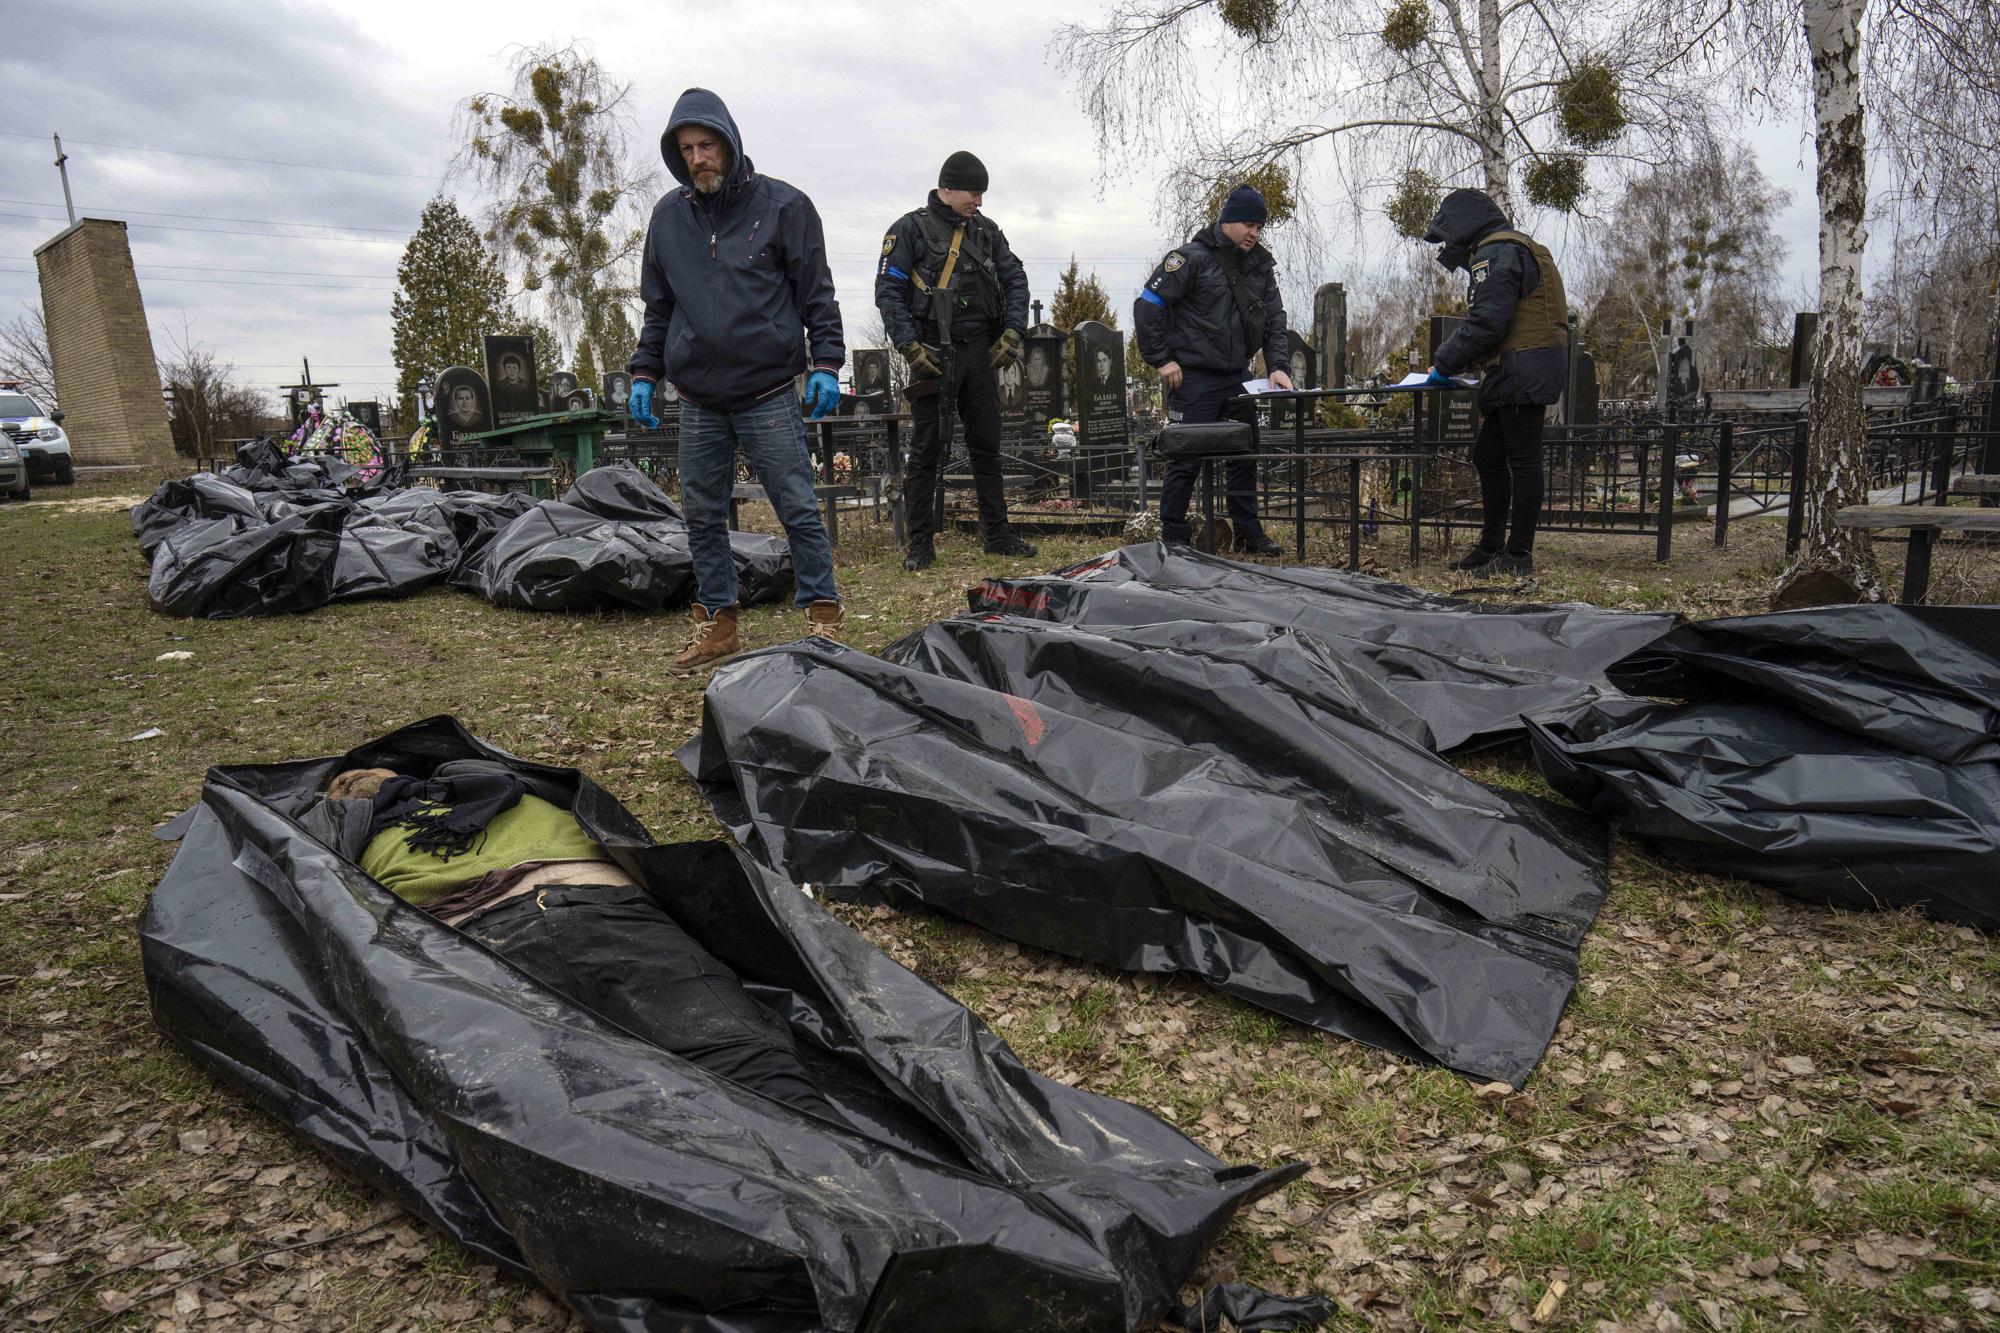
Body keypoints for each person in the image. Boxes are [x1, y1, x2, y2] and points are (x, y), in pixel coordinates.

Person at [317, 764, 850, 1127]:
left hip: (471, 945)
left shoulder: (364, 845)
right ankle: (848, 1178)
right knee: (742, 1058)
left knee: (571, 1114)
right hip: (604, 911)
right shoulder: (516, 795)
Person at [628, 88, 846, 672]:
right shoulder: (668, 219)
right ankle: (719, 625)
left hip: (768, 389)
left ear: (729, 142)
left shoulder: (785, 208)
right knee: (701, 514)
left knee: (796, 505)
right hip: (698, 395)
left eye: (707, 145)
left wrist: (826, 363)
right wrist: (646, 372)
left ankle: (823, 618)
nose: (698, 157)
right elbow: (659, 307)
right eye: (687, 149)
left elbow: (816, 295)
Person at [875, 150, 1037, 572]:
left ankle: (997, 534)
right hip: (932, 352)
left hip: (982, 350)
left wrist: (1014, 331)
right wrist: (909, 345)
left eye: (982, 193)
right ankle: (921, 544)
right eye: (972, 192)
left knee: (988, 445)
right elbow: (888, 292)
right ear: (946, 188)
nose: (978, 201)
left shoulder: (986, 232)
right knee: (927, 448)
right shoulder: (909, 230)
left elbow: (1015, 279)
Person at [1133, 184, 1291, 555]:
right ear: (1227, 221)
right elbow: (1149, 305)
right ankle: (1174, 535)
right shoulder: (1190, 259)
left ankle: (1248, 533)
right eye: (1249, 224)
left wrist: (1279, 366)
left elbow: (1274, 318)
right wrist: (1161, 359)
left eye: (1259, 227)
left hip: (1237, 377)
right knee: (1185, 460)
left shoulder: (1260, 266)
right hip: (1194, 378)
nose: (1255, 232)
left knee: (1244, 457)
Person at [1421, 187, 1569, 579]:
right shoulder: (1516, 246)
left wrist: (1444, 362)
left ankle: (1517, 554)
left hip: (1521, 369)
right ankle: (1491, 547)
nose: (1448, 246)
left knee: (1522, 462)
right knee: (1489, 457)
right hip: (1521, 366)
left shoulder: (1496, 251)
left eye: (1449, 234)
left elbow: (1488, 321)